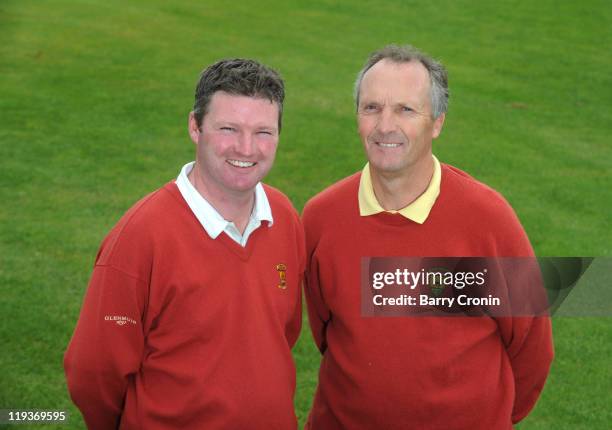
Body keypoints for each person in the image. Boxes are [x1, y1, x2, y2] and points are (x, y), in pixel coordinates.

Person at [302, 45, 554, 429]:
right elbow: (324, 330)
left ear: (437, 122)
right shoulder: (320, 217)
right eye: (372, 108)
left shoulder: (488, 220)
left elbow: (532, 347)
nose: (386, 125)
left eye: (405, 109)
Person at [64, 59, 304, 429]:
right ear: (195, 127)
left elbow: (281, 334)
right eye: (228, 128)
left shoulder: (284, 216)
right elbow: (94, 369)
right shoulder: (141, 236)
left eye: (263, 132)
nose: (246, 148)